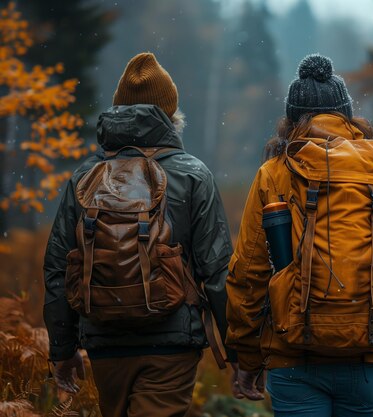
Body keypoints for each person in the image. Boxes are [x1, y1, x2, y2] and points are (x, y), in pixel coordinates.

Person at [225, 54, 373, 417]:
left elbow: (250, 271)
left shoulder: (273, 174)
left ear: (290, 120)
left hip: (293, 355)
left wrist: (248, 355)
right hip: (369, 351)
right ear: (347, 115)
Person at [43, 52, 236, 417]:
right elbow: (218, 270)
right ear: (171, 115)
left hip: (104, 340)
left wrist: (63, 350)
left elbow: (57, 267)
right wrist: (240, 355)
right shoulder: (193, 174)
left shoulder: (85, 177)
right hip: (172, 341)